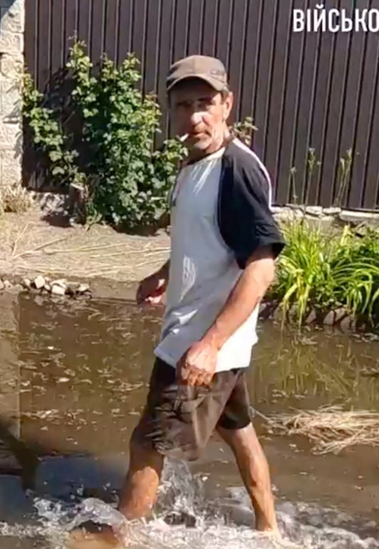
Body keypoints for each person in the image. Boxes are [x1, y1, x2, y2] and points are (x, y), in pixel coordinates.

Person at [115, 54, 286, 541]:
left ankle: (118, 538)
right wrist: (166, 274)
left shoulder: (236, 171)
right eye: (183, 105)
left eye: (206, 103)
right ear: (170, 111)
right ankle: (269, 532)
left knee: (148, 444)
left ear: (227, 104)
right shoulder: (194, 164)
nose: (195, 117)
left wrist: (209, 345)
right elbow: (208, 239)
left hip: (200, 347)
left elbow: (261, 265)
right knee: (239, 431)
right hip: (204, 340)